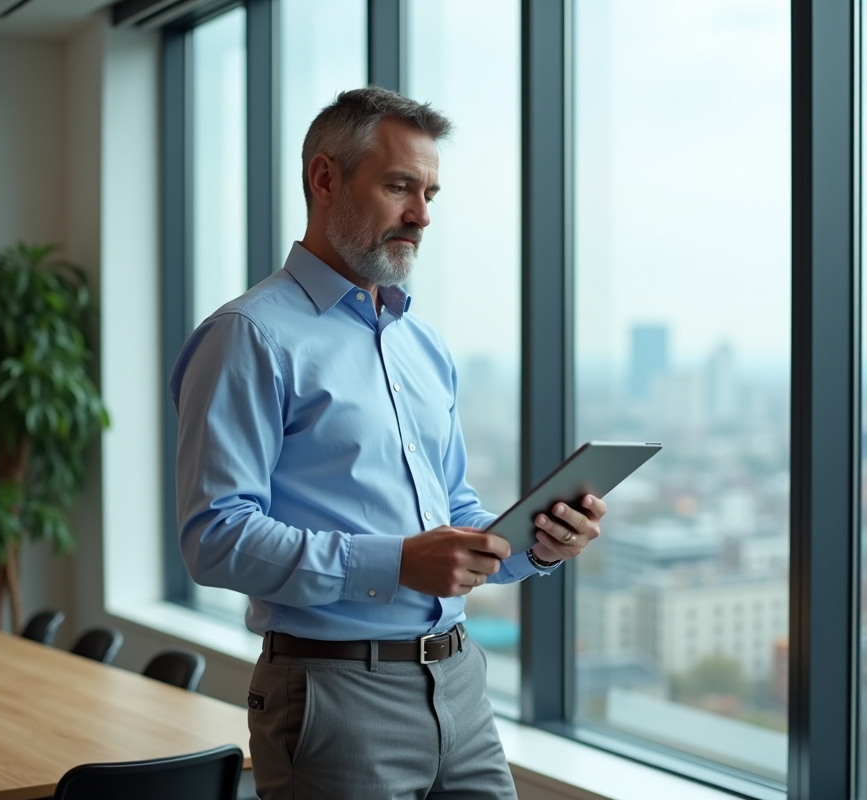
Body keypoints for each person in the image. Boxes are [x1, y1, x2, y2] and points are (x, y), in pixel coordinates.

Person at [170, 86, 606, 800]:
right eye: (400, 186)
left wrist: (536, 544)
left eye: (430, 193)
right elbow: (214, 538)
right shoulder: (248, 337)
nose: (422, 215)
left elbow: (453, 512)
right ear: (325, 179)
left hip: (460, 684)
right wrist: (399, 562)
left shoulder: (422, 345)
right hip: (334, 693)